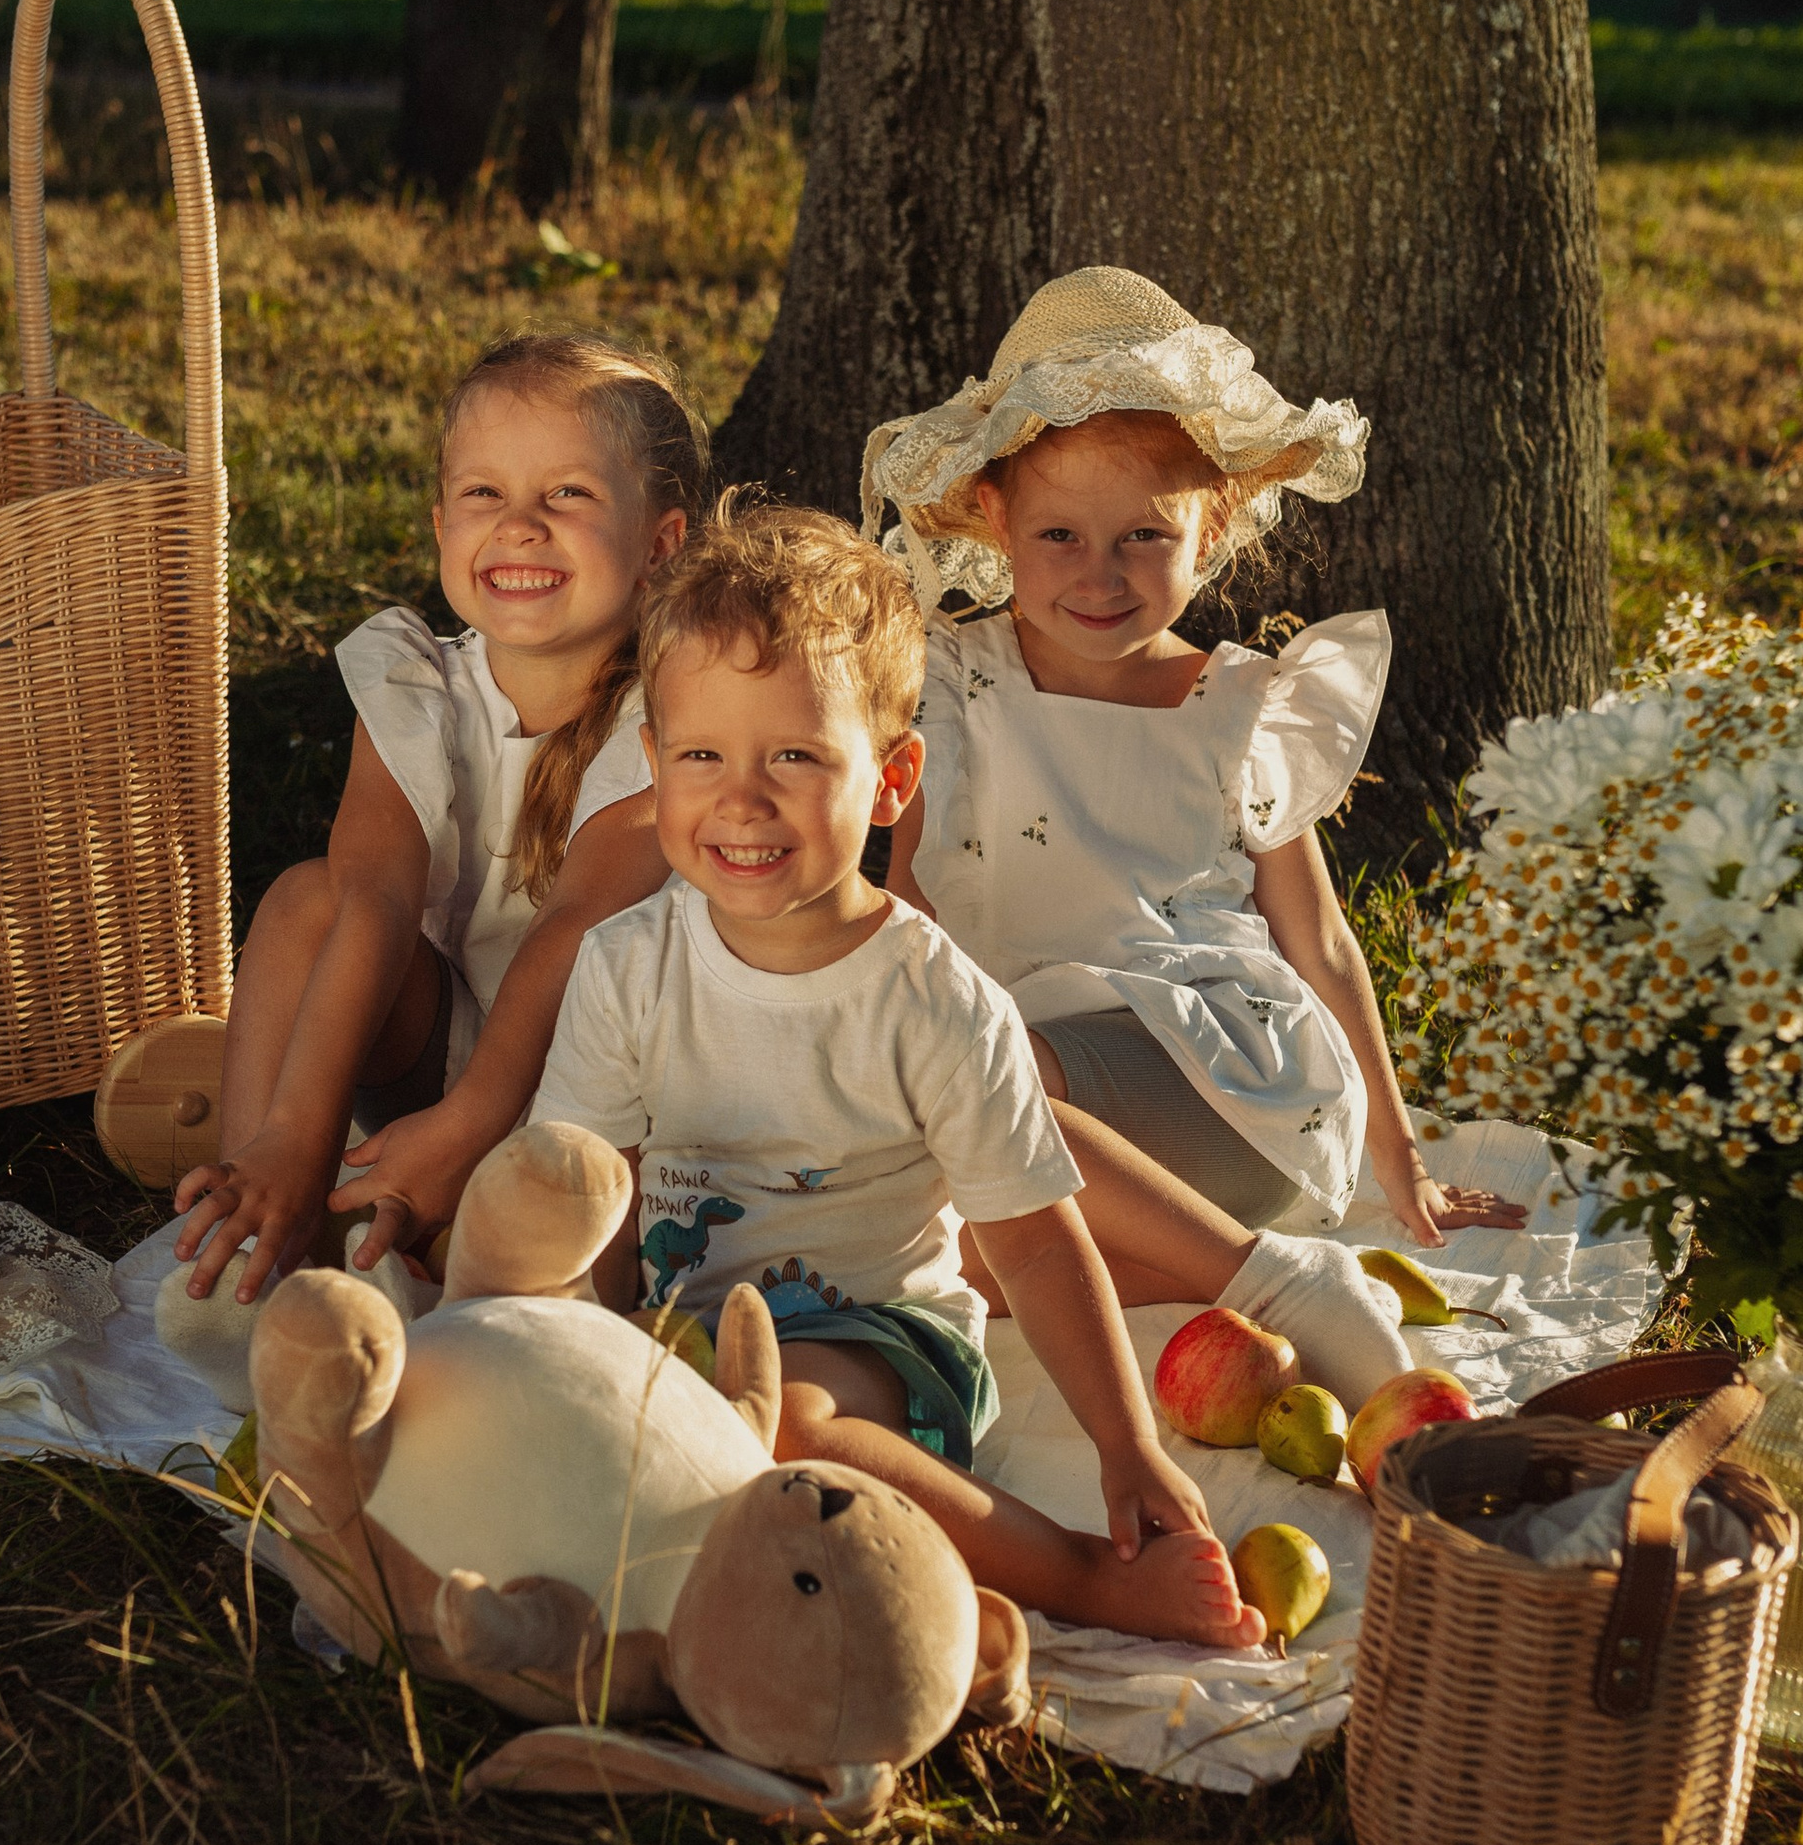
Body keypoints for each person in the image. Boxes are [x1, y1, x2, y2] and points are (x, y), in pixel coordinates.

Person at [531, 502, 1268, 1649]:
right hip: (679, 1328)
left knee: (781, 1436)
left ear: (890, 780)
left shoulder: (932, 1000)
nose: (741, 798)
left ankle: (1073, 1574)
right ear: (653, 767)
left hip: (873, 1339)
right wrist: (588, 1334)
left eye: (795, 756)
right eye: (702, 756)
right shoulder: (629, 965)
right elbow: (590, 1189)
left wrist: (1127, 1447)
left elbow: (1033, 1241)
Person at [865, 265, 1525, 1270]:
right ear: (995, 520)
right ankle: (1156, 1270)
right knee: (943, 1113)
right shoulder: (953, 680)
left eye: (1144, 536)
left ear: (1209, 529)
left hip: (1219, 1086)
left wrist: (1403, 1160)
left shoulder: (1238, 705)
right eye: (1059, 536)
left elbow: (1321, 942)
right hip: (1000, 1054)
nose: (1100, 573)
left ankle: (1180, 1264)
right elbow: (906, 896)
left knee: (995, 1097)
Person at [173, 332, 705, 1301]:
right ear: (439, 527)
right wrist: (299, 1132)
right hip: (447, 1044)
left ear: (660, 544)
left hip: (599, 1084)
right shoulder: (419, 685)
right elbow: (373, 897)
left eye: (568, 495)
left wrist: (468, 1129)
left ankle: (451, 1230)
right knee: (306, 901)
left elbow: (577, 931)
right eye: (482, 495)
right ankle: (260, 1205)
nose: (519, 526)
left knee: (517, 1257)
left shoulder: (674, 718)